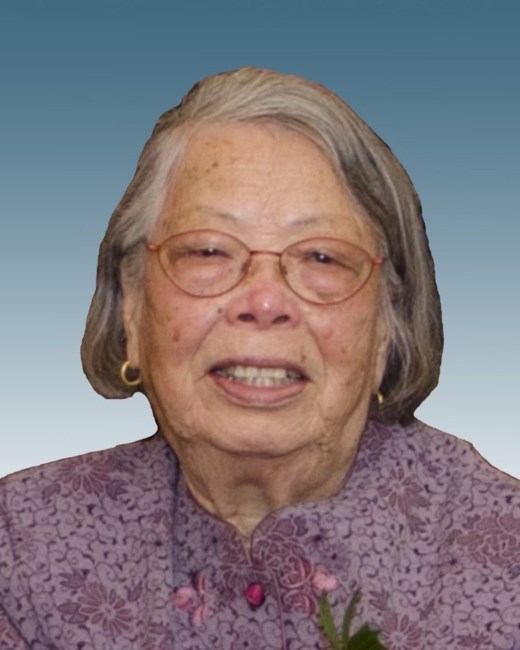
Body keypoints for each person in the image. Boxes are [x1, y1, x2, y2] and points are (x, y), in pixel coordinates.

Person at [1, 67, 518, 650]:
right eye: (208, 251)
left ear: (387, 327)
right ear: (132, 308)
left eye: (322, 258)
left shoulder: (500, 557)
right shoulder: (21, 552)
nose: (265, 302)